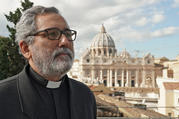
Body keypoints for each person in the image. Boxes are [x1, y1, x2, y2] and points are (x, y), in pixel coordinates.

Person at [0, 6, 96, 119]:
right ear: (26, 48)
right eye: (52, 34)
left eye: (68, 34)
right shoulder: (3, 97)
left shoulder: (85, 95)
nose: (65, 41)